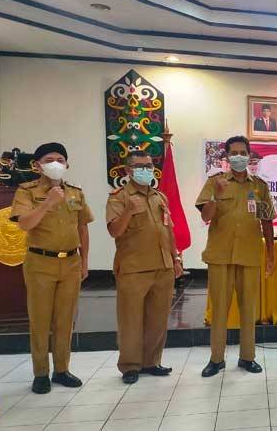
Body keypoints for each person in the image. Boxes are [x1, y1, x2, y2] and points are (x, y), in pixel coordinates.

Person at [9, 142, 93, 394]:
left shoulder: (75, 192)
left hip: (70, 262)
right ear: (37, 165)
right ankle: (41, 373)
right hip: (40, 262)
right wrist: (47, 203)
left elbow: (82, 228)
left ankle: (62, 369)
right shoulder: (26, 191)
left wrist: (85, 261)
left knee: (65, 320)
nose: (55, 163)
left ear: (67, 164)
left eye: (60, 159)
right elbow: (25, 224)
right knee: (40, 320)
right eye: (49, 160)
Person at [195, 136, 275, 377]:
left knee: (249, 309)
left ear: (249, 156)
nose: (239, 156)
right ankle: (216, 359)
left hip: (250, 255)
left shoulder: (259, 186)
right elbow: (205, 216)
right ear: (227, 157)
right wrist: (217, 196)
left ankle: (247, 357)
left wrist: (270, 255)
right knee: (220, 309)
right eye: (234, 153)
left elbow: (267, 221)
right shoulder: (215, 182)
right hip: (220, 255)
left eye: (243, 152)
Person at [106, 151, 183, 384]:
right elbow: (114, 231)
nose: (146, 170)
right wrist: (129, 211)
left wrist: (176, 258)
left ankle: (151, 362)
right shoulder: (119, 198)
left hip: (163, 266)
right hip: (134, 268)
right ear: (128, 170)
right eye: (140, 166)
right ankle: (130, 365)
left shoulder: (160, 197)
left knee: (157, 320)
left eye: (149, 166)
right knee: (130, 321)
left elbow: (168, 230)